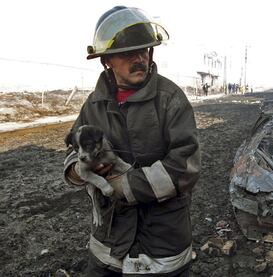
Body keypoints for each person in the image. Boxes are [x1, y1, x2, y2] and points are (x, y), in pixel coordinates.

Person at [63, 6, 200, 276]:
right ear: (107, 61)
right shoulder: (94, 105)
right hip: (108, 244)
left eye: (145, 50)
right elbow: (71, 150)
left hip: (162, 246)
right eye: (128, 53)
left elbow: (185, 167)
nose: (139, 58)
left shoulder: (171, 99)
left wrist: (121, 185)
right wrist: (77, 170)